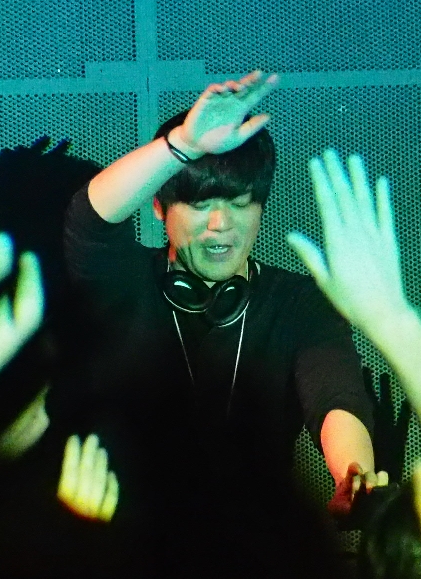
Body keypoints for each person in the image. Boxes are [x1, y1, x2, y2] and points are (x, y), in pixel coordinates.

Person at [62, 70, 378, 507]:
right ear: (159, 207)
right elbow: (90, 218)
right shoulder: (123, 282)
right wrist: (183, 145)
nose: (220, 223)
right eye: (200, 203)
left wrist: (353, 476)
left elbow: (336, 395)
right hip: (122, 538)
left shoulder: (299, 302)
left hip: (253, 541)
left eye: (239, 202)